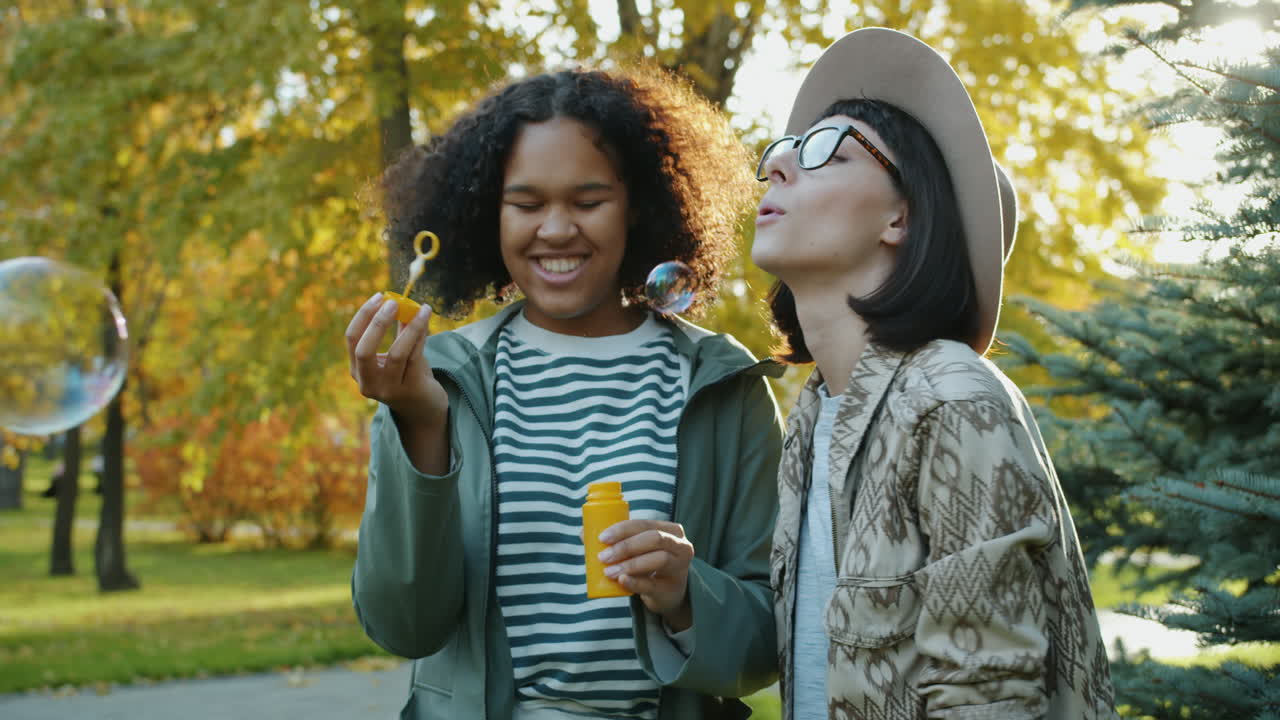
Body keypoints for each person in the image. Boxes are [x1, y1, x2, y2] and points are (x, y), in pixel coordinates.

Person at [346, 65, 783, 720]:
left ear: (638, 204)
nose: (554, 230)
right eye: (526, 205)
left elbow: (767, 642)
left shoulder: (723, 383)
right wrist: (419, 425)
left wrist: (687, 594)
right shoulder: (434, 379)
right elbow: (403, 626)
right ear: (485, 213)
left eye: (587, 202)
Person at [752, 28, 1117, 720]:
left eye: (829, 150)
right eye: (782, 154)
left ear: (901, 215)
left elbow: (988, 698)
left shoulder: (950, 394)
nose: (778, 169)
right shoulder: (812, 412)